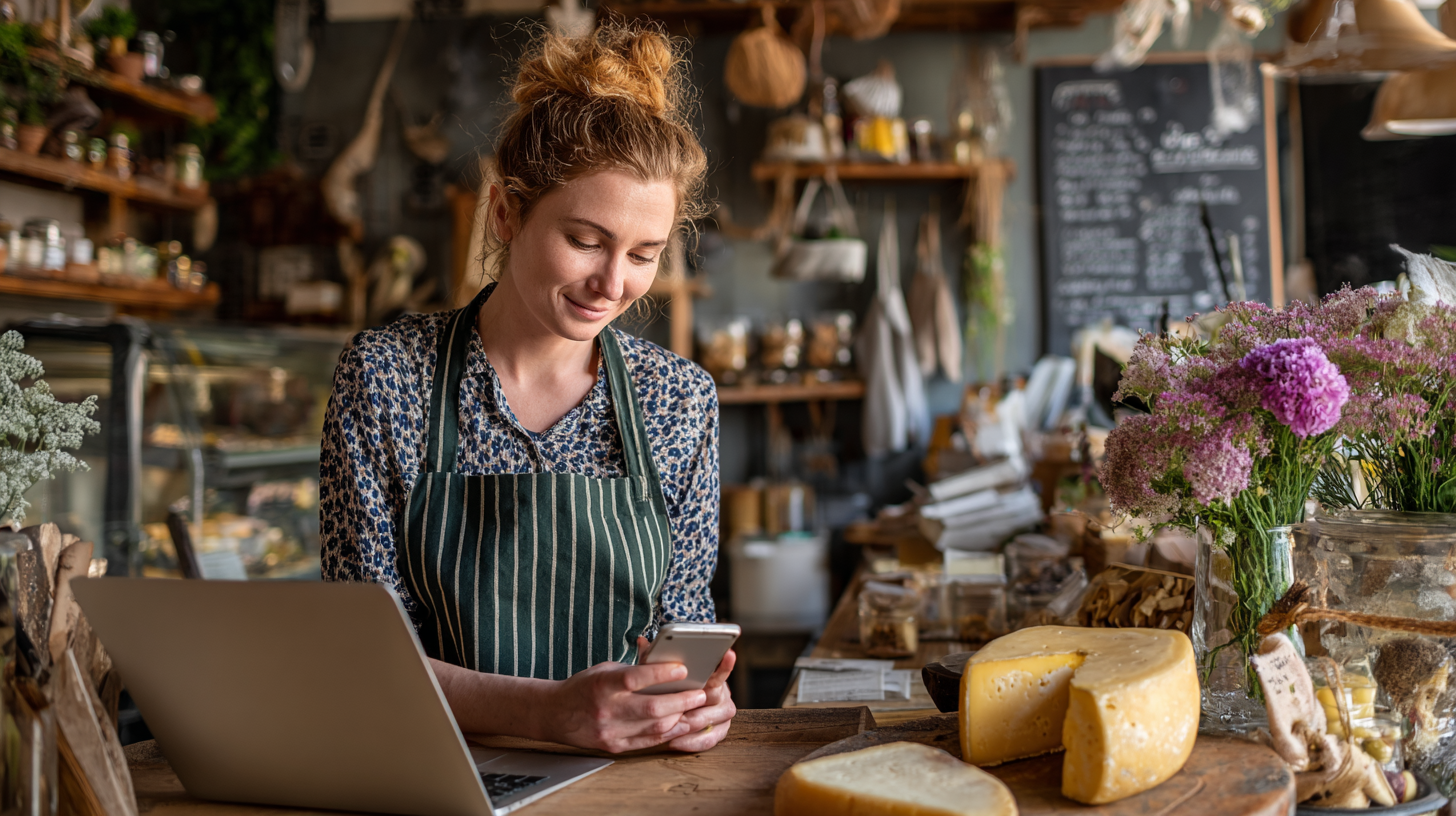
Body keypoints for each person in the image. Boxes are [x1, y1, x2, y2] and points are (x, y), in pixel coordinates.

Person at [319, 23, 733, 754]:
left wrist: (693, 701)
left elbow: (682, 628)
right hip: (434, 775)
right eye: (585, 240)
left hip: (629, 788)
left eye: (644, 254)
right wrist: (549, 714)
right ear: (506, 212)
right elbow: (358, 655)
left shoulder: (680, 399)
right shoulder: (387, 379)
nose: (613, 285)